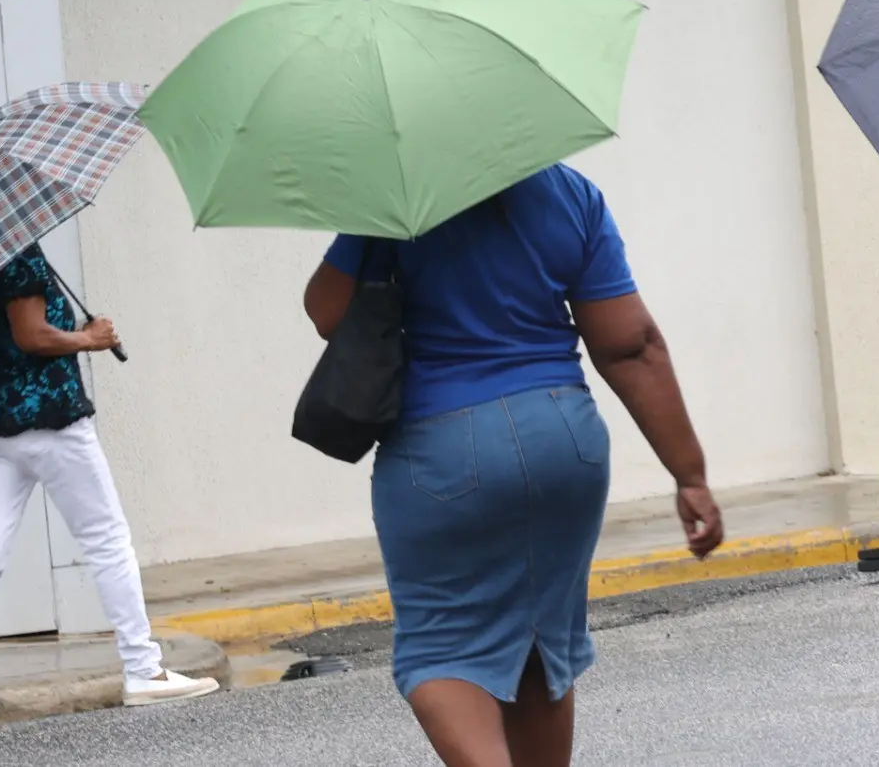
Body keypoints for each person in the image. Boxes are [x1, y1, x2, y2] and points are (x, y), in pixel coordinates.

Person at [304, 164, 723, 767]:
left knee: (438, 650)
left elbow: (327, 312)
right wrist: (690, 474)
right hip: (563, 436)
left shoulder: (396, 198)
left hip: (441, 447)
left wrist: (375, 233)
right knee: (540, 649)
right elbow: (631, 344)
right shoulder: (571, 192)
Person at [0, 244, 218, 733]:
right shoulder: (18, 251)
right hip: (49, 422)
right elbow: (31, 335)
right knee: (107, 538)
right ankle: (144, 669)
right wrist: (89, 337)